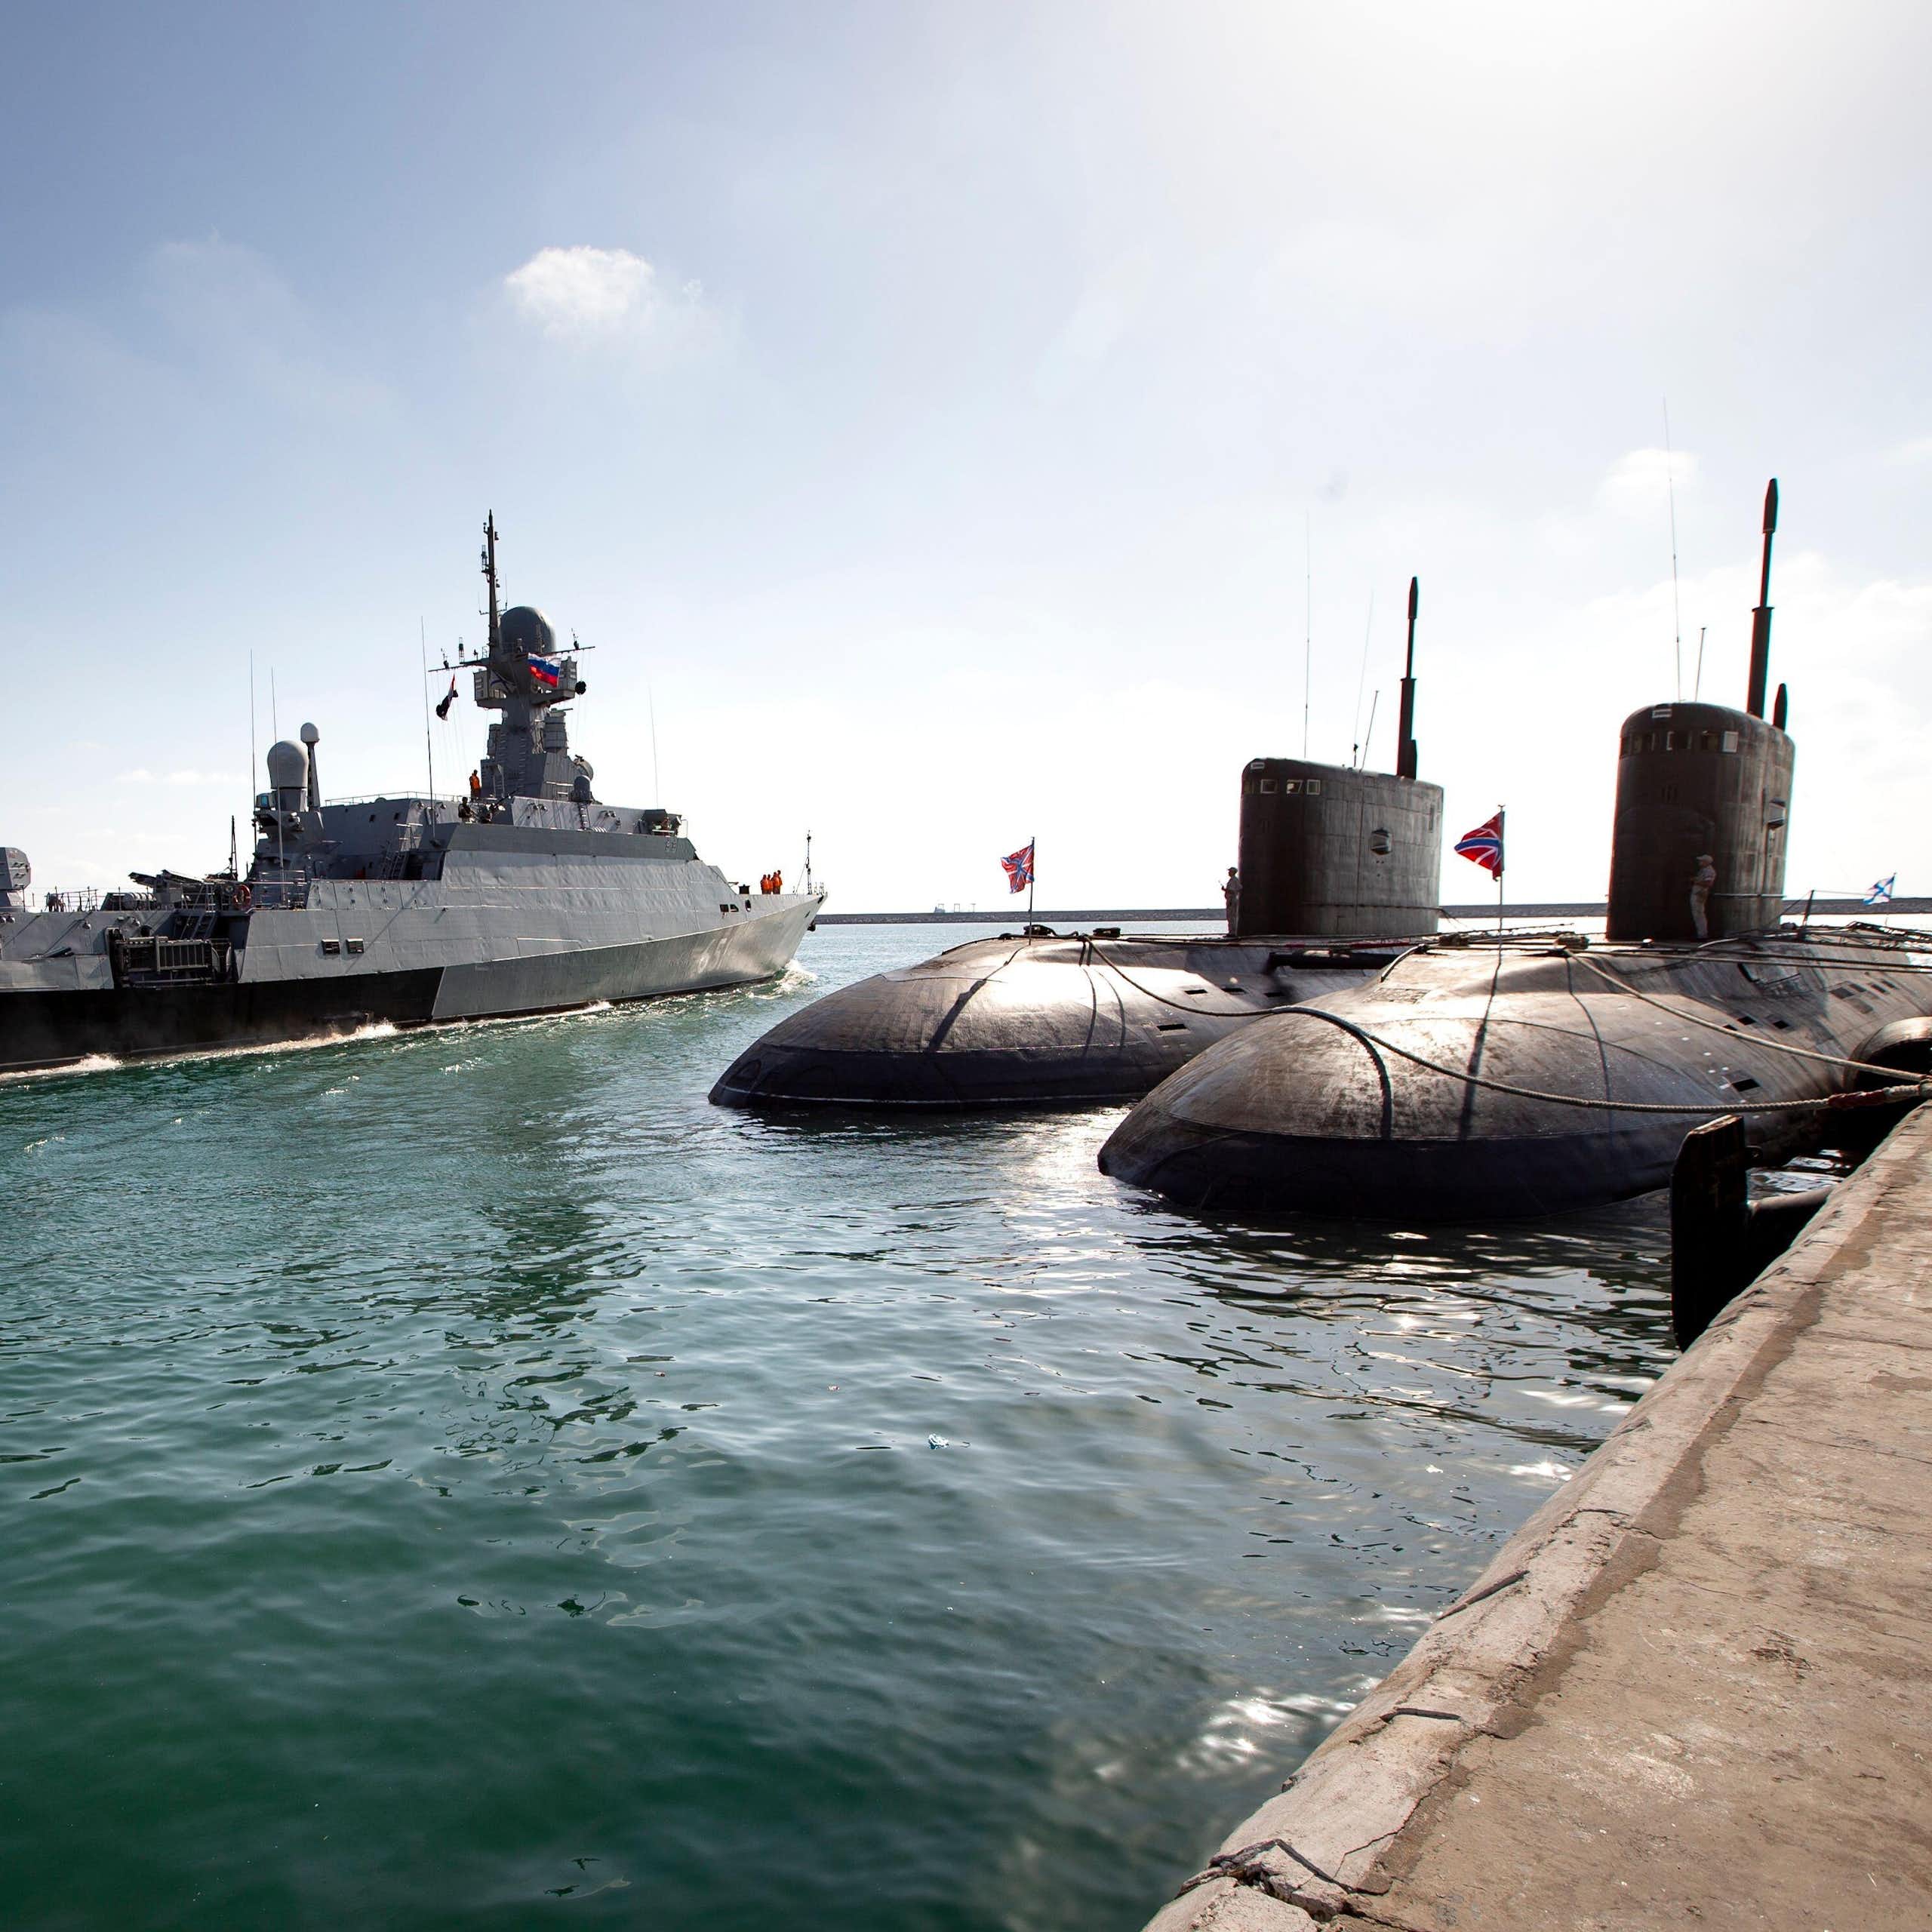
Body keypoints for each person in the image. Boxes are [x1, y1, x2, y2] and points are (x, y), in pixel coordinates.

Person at [1690, 853, 1717, 941]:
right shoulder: (1704, 870)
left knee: (1699, 915)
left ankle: (1702, 935)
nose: (1700, 862)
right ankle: (1701, 934)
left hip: (1700, 894)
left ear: (1706, 862)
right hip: (1698, 893)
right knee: (1697, 915)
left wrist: (1695, 881)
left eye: (1701, 861)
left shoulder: (1709, 871)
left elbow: (1708, 883)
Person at [1223, 865, 1241, 934]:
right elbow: (1240, 888)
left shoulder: (1233, 880)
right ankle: (1232, 932)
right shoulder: (1235, 880)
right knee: (1232, 916)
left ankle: (1232, 933)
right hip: (1233, 899)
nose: (1228, 872)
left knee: (1231, 916)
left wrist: (1225, 890)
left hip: (1231, 900)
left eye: (1230, 871)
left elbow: (1233, 891)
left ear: (1233, 872)